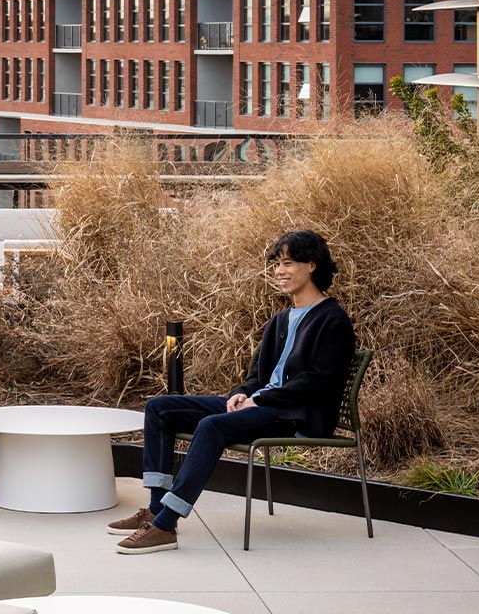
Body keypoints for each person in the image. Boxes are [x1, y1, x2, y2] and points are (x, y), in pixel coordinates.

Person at [112, 229, 357, 554]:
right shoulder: (280, 321)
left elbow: (316, 383)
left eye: (288, 263)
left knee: (211, 426)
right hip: (262, 407)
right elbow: (257, 376)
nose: (280, 271)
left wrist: (261, 399)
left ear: (312, 265)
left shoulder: (333, 321)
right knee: (160, 408)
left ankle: (166, 524)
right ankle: (156, 509)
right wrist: (242, 393)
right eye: (277, 265)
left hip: (293, 416)